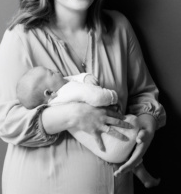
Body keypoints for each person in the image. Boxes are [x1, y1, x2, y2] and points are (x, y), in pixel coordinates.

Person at [0, 0, 166, 194]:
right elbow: (7, 121)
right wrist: (71, 115)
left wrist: (147, 125)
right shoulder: (21, 37)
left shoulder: (118, 27)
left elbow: (144, 93)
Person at [16, 66, 160, 188]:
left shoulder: (53, 104)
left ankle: (144, 177)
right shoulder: (68, 90)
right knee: (131, 123)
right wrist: (111, 96)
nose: (57, 71)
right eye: (51, 73)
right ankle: (143, 172)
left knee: (126, 153)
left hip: (106, 151)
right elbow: (94, 96)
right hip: (119, 134)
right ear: (49, 92)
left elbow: (73, 79)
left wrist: (84, 78)